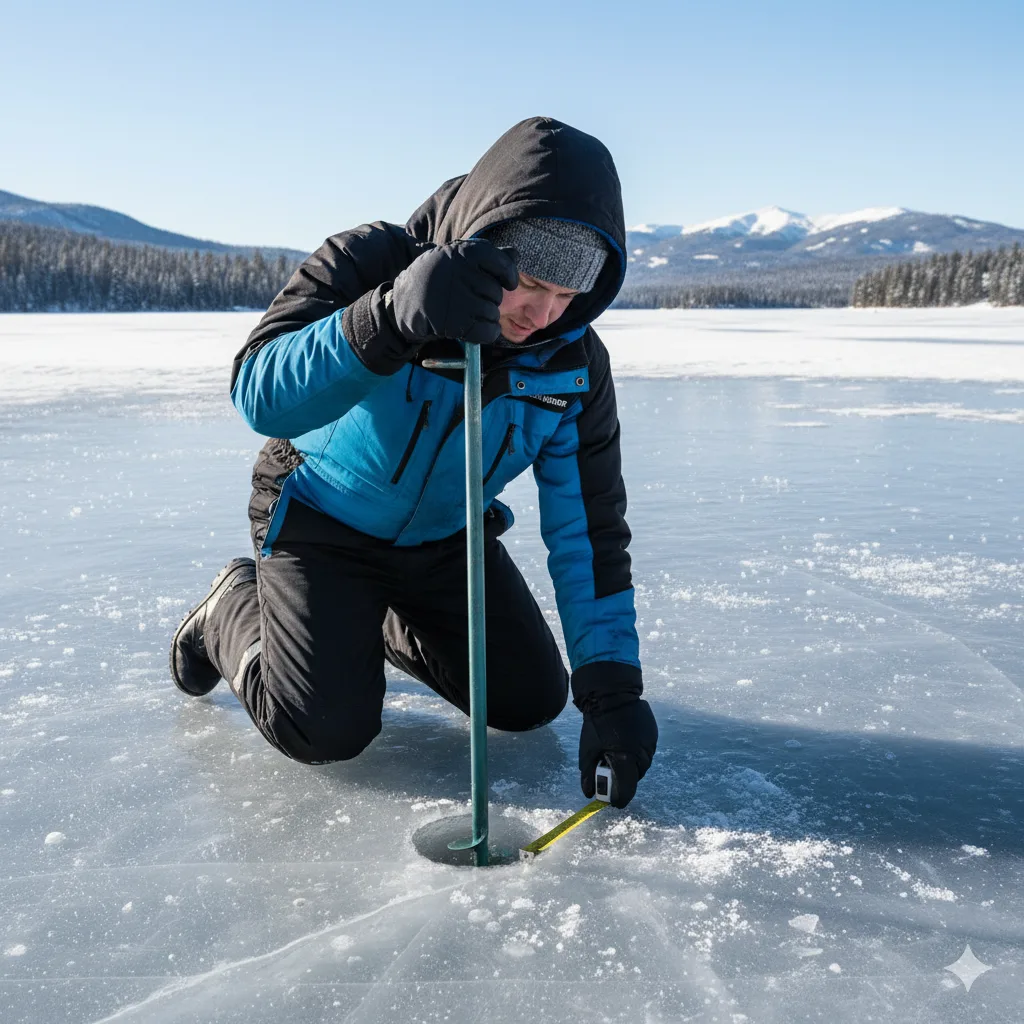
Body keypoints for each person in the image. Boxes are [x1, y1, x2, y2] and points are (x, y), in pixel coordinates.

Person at [169, 116, 657, 808]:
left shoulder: (572, 362)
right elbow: (260, 392)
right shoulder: (371, 261)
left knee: (530, 699)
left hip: (445, 540)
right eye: (531, 282)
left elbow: (591, 532)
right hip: (321, 517)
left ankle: (380, 625)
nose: (543, 313)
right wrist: (392, 318)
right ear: (490, 239)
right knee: (323, 729)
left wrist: (612, 690)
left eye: (568, 295)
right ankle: (230, 608)